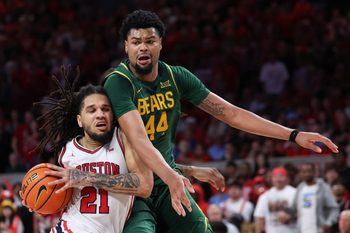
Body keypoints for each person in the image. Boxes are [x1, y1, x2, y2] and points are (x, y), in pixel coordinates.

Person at [102, 9, 339, 233]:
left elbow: (231, 113)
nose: (143, 47)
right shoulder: (119, 82)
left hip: (166, 182)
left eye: (150, 41)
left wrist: (293, 134)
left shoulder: (176, 77)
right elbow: (139, 140)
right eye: (136, 42)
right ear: (126, 46)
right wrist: (176, 174)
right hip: (131, 185)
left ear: (161, 44)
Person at [21, 66, 224, 233]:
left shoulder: (125, 138)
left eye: (106, 109)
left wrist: (189, 170)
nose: (100, 114)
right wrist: (35, 202)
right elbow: (55, 189)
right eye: (92, 110)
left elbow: (148, 175)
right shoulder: (67, 151)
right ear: (80, 120)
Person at [292, 163, 338, 233]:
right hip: (302, 229)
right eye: (304, 172)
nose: (307, 174)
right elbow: (294, 208)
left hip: (319, 229)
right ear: (300, 174)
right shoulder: (300, 188)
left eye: (309, 171)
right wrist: (283, 207)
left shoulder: (323, 187)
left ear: (315, 172)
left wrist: (328, 223)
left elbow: (334, 208)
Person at [254, 167, 296, 233]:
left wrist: (290, 216)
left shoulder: (295, 193)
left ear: (286, 178)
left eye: (281, 176)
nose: (278, 179)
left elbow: (303, 213)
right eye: (275, 176)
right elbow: (259, 218)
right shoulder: (264, 196)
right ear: (272, 178)